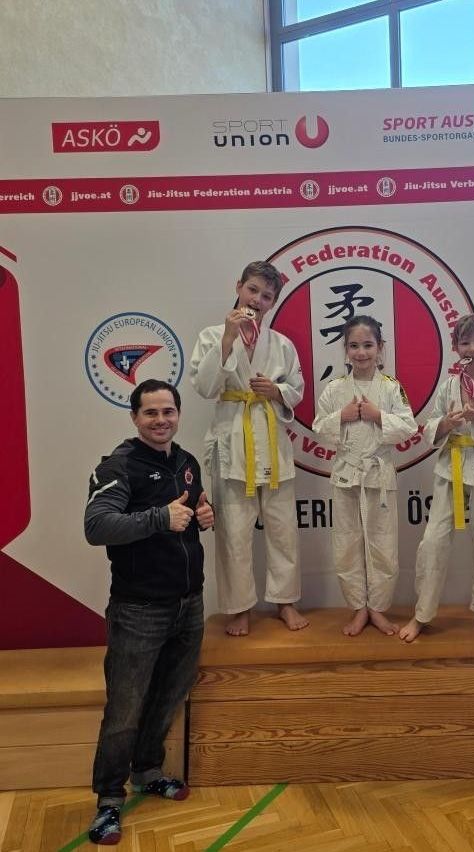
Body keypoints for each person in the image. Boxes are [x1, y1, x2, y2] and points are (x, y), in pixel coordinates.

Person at [84, 379, 214, 845]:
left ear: (179, 414)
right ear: (135, 417)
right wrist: (160, 518)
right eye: (150, 413)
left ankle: (147, 771)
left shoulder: (186, 462)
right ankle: (108, 800)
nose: (161, 420)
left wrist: (202, 516)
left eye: (168, 412)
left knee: (168, 695)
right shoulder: (118, 465)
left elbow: (187, 514)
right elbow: (97, 526)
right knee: (125, 708)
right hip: (139, 609)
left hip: (189, 604)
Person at [190, 260, 307, 636]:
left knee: (282, 530)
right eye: (253, 290)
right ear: (239, 286)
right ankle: (239, 608)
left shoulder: (282, 344)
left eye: (267, 296)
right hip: (231, 442)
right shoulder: (212, 336)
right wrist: (228, 338)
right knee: (233, 533)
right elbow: (206, 388)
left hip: (272, 444)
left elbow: (297, 388)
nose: (257, 300)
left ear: (273, 302)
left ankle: (285, 602)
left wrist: (278, 392)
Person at [399, 313, 474, 642]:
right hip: (451, 463)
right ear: (455, 347)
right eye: (465, 342)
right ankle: (422, 614)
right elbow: (429, 427)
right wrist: (446, 424)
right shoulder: (450, 386)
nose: (473, 348)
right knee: (434, 541)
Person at [313, 315, 417, 636]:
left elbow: (409, 426)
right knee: (346, 543)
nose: (361, 352)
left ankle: (378, 609)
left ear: (380, 348)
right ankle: (358, 609)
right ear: (345, 350)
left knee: (383, 544)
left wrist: (378, 416)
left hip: (379, 474)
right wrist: (341, 417)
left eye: (368, 345)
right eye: (354, 346)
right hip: (346, 474)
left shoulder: (391, 387)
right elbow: (319, 428)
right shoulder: (334, 390)